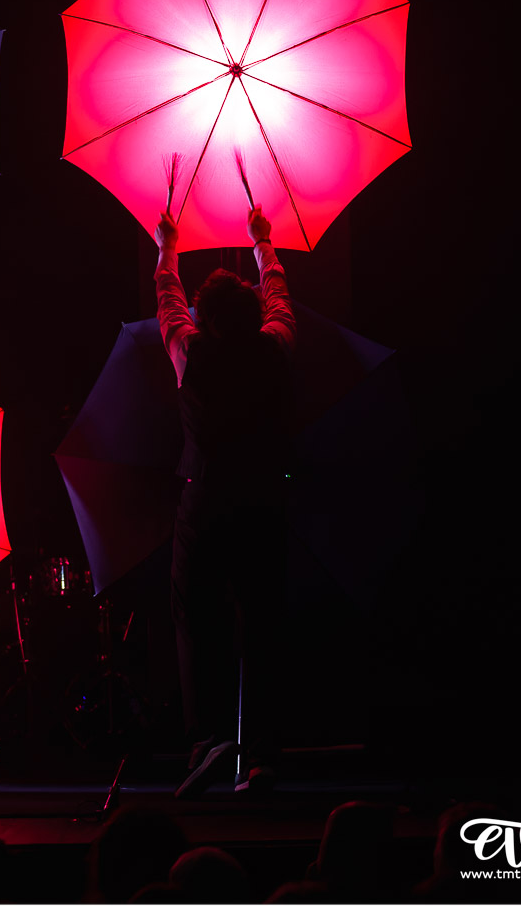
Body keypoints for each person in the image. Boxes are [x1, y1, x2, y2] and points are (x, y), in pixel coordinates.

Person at [154, 204, 295, 799]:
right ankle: (260, 753)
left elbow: (167, 301)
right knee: (263, 624)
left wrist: (168, 247)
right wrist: (263, 243)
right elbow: (281, 300)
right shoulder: (276, 347)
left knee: (197, 622)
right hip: (262, 501)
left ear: (203, 318)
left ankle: (205, 740)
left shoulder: (190, 353)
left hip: (205, 501)